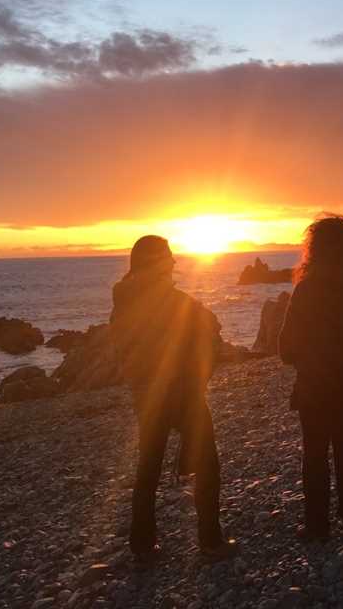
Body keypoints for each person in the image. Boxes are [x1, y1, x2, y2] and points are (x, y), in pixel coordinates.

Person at [109, 235, 237, 562]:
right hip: (183, 393)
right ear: (157, 262)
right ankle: (210, 541)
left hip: (146, 395)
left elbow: (125, 350)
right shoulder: (171, 300)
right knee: (208, 465)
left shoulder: (123, 301)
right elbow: (208, 322)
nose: (174, 262)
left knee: (148, 468)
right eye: (168, 257)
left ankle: (142, 545)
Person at [279, 214, 343, 541]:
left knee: (315, 451)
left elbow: (286, 348)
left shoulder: (308, 288)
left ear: (315, 249)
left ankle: (317, 526)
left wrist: (303, 354)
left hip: (316, 379)